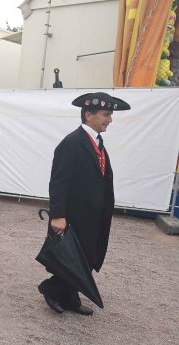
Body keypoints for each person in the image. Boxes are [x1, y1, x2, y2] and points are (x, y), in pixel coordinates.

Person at [38, 92, 131, 316]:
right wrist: (58, 215)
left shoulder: (97, 142)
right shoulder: (72, 143)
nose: (110, 119)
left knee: (88, 257)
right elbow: (58, 182)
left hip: (92, 217)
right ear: (89, 115)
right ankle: (51, 288)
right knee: (74, 258)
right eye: (106, 114)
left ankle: (70, 297)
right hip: (74, 216)